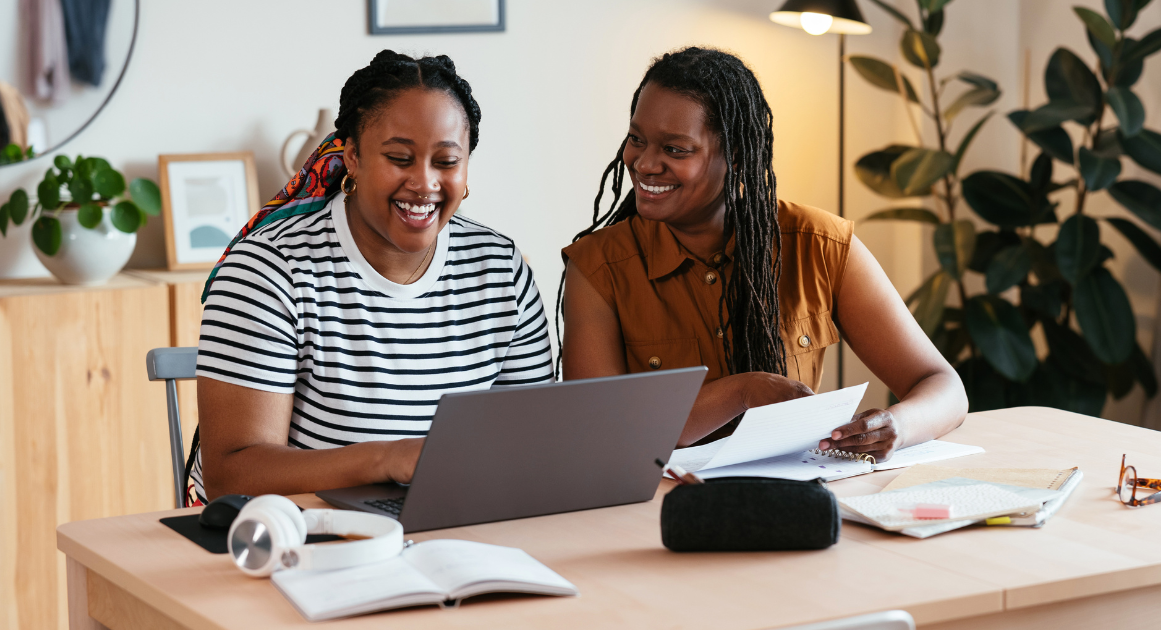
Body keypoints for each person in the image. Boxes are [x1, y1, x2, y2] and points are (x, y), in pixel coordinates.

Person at [559, 47, 967, 460]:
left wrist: (898, 426)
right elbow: (600, 426)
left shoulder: (820, 245)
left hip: (794, 496)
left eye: (675, 149)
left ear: (735, 154)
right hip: (656, 507)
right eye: (637, 140)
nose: (645, 163)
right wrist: (742, 391)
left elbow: (943, 386)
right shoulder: (598, 268)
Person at [193, 51, 553, 503]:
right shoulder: (269, 270)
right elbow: (233, 474)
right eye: (400, 158)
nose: (424, 184)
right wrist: (387, 460)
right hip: (303, 545)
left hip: (456, 533)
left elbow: (533, 444)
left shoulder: (501, 270)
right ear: (354, 158)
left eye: (446, 162)